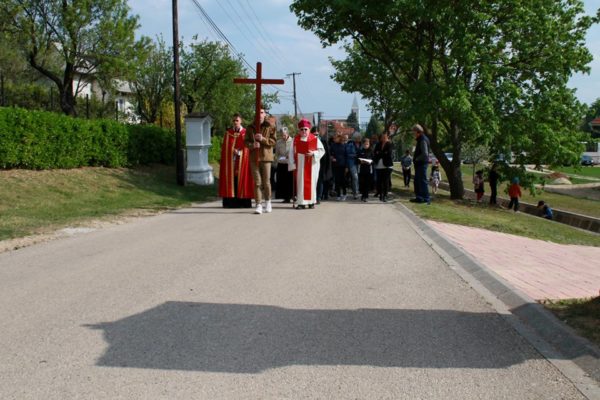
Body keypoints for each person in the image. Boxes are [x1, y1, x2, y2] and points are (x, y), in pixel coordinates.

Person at [244, 107, 277, 214]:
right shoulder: (250, 127)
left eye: (262, 112)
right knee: (257, 182)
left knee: (266, 182)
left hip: (266, 157)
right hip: (254, 158)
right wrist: (252, 145)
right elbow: (246, 142)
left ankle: (268, 202)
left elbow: (273, 141)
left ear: (265, 114)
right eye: (258, 112)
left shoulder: (270, 126)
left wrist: (263, 139)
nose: (260, 114)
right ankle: (258, 204)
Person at [217, 113, 254, 208]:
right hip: (231, 163)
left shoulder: (246, 133)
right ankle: (230, 202)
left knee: (242, 180)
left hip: (243, 162)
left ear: (241, 121)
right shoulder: (228, 133)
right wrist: (230, 152)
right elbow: (225, 149)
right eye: (234, 120)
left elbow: (248, 148)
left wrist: (239, 153)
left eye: (237, 120)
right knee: (232, 180)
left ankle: (243, 202)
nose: (235, 122)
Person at [288, 119, 324, 209]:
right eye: (302, 129)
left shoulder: (314, 138)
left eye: (305, 129)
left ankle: (311, 202)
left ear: (309, 129)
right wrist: (292, 164)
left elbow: (322, 150)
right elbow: (291, 153)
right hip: (300, 165)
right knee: (301, 184)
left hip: (312, 165)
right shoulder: (295, 139)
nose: (304, 131)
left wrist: (313, 153)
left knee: (312, 183)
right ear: (299, 130)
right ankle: (301, 203)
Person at [410, 124, 431, 204]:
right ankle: (419, 197)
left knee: (422, 181)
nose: (413, 134)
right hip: (419, 164)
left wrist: (416, 158)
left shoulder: (423, 140)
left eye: (414, 132)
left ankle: (426, 198)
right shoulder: (421, 139)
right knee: (417, 181)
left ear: (417, 131)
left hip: (422, 164)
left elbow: (425, 154)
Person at [372, 132, 394, 202]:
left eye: (385, 137)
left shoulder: (389, 144)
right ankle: (380, 194)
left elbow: (389, 154)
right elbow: (375, 153)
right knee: (379, 181)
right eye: (382, 137)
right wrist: (383, 153)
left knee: (385, 181)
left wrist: (380, 153)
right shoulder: (378, 144)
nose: (383, 138)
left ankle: (385, 195)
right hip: (379, 165)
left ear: (387, 137)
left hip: (387, 165)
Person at [274, 126, 293, 203]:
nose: (283, 137)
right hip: (281, 164)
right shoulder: (278, 142)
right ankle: (285, 197)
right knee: (282, 182)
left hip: (290, 164)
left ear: (287, 133)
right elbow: (276, 154)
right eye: (282, 135)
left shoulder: (293, 141)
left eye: (284, 135)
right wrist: (279, 158)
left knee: (290, 181)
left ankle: (292, 196)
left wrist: (290, 156)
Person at [330, 133, 347, 201]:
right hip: (335, 165)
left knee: (343, 180)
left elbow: (346, 156)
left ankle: (344, 194)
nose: (334, 139)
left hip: (343, 165)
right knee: (337, 181)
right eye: (334, 138)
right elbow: (331, 154)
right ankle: (338, 194)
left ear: (339, 138)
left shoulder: (344, 145)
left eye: (336, 138)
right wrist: (332, 157)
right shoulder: (333, 145)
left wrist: (346, 167)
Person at [316, 128, 332, 203]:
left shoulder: (323, 141)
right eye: (314, 134)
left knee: (320, 181)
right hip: (312, 164)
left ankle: (318, 197)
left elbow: (327, 155)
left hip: (322, 165)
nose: (316, 136)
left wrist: (328, 167)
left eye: (317, 134)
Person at [357, 137, 374, 202]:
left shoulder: (371, 151)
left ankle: (365, 196)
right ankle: (363, 195)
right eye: (365, 144)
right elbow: (357, 159)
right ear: (363, 144)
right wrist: (360, 161)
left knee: (367, 183)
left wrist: (371, 162)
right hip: (361, 169)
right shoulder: (360, 151)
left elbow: (374, 160)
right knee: (362, 183)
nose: (366, 145)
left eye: (367, 144)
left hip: (369, 169)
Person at [346, 133, 360, 199]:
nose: (359, 139)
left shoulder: (361, 144)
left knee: (356, 178)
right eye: (358, 138)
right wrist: (356, 155)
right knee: (355, 177)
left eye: (359, 138)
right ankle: (356, 193)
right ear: (355, 138)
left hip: (359, 163)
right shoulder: (350, 144)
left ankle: (356, 191)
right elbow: (348, 154)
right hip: (352, 163)